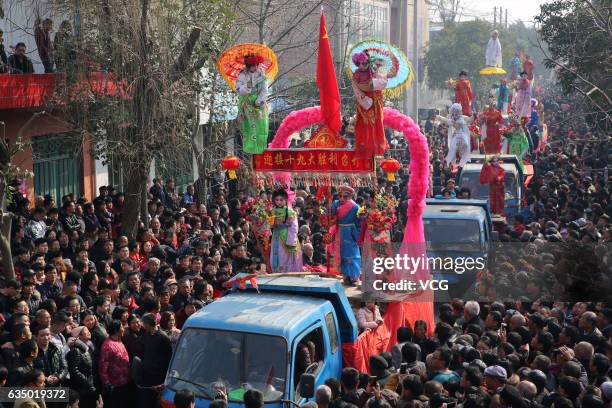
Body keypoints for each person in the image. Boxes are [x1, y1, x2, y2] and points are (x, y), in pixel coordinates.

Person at [351, 50, 389, 158]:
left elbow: (383, 82)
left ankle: (377, 148)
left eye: (364, 63)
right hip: (364, 102)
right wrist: (367, 101)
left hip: (376, 101)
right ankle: (365, 148)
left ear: (368, 61)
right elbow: (356, 90)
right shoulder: (356, 74)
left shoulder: (376, 70)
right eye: (358, 63)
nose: (361, 66)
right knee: (366, 124)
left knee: (377, 123)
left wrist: (374, 82)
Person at [236, 53, 269, 154]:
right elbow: (239, 89)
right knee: (249, 126)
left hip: (259, 103)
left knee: (261, 125)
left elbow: (265, 90)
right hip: (247, 103)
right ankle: (250, 148)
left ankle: (261, 147)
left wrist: (259, 101)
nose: (254, 67)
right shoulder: (242, 75)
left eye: (256, 65)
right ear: (248, 66)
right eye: (252, 65)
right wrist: (248, 86)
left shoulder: (262, 75)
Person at [330, 185, 361, 286]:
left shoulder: (356, 207)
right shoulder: (335, 205)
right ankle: (345, 276)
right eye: (340, 196)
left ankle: (354, 277)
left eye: (345, 196)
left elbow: (359, 223)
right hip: (339, 232)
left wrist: (356, 233)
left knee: (353, 255)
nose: (342, 198)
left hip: (351, 232)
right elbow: (331, 218)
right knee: (341, 254)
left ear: (351, 196)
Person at [99, 320, 132, 408]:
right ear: (116, 330)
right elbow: (103, 368)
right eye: (121, 327)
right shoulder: (107, 346)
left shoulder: (119, 340)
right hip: (115, 386)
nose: (124, 329)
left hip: (125, 382)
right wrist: (107, 384)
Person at [269, 189, 302, 273]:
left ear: (286, 200)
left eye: (281, 200)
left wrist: (290, 240)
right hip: (276, 236)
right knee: (277, 255)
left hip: (287, 237)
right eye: (277, 200)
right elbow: (270, 224)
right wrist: (272, 223)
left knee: (285, 256)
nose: (279, 202)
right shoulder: (272, 211)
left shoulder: (290, 211)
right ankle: (276, 272)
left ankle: (286, 274)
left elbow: (294, 227)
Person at [438, 103, 472, 168]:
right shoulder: (450, 118)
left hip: (462, 135)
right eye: (454, 111)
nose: (455, 113)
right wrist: (440, 118)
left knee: (465, 145)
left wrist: (474, 116)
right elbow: (445, 120)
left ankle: (461, 158)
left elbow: (469, 120)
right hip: (455, 136)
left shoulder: (462, 118)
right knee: (452, 149)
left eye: (457, 111)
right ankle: (450, 163)